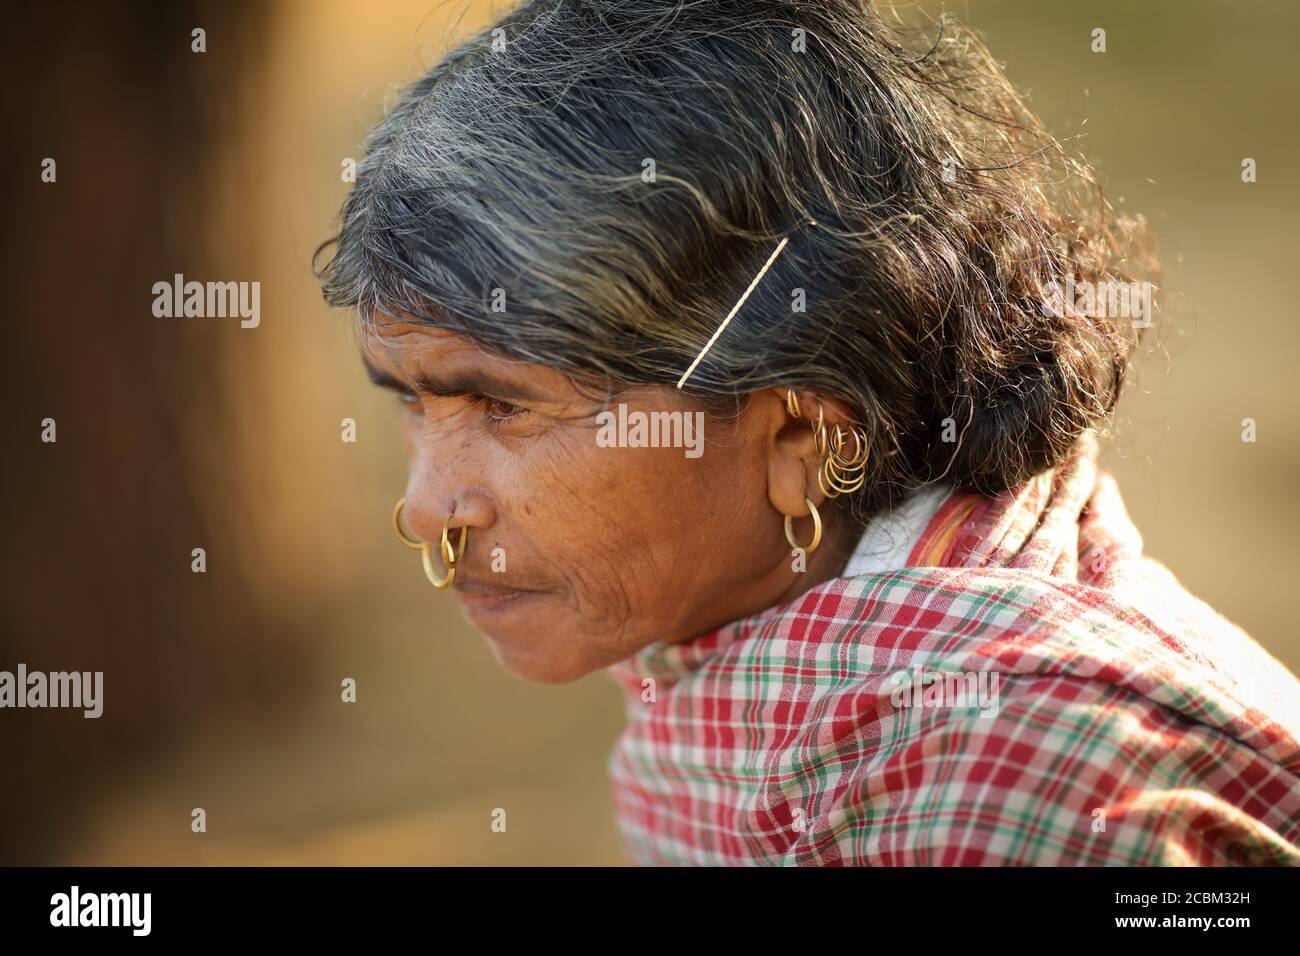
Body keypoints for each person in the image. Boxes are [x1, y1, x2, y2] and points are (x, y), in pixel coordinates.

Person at [316, 0, 1300, 865]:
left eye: (502, 404)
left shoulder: (1008, 775)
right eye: (410, 397)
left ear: (799, 441)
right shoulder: (747, 672)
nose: (425, 505)